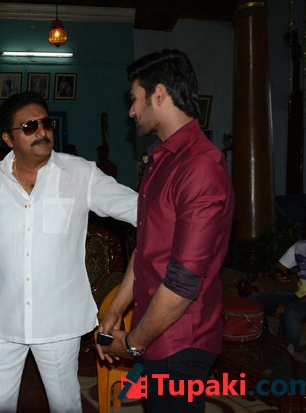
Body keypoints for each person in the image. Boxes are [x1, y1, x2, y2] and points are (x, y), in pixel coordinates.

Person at [0, 91, 138, 413]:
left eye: (46, 123)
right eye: (30, 126)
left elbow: (140, 209)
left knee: (65, 404)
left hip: (59, 321)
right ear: (8, 138)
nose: (42, 131)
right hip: (2, 319)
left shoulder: (80, 174)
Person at [96, 49, 234, 413]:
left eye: (134, 99)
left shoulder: (200, 167)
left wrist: (133, 343)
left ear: (158, 94)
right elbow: (146, 249)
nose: (131, 111)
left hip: (180, 339)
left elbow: (183, 281)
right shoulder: (162, 161)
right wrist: (116, 309)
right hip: (155, 329)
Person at [249, 206, 306, 346]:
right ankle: (263, 345)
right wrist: (277, 274)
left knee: (291, 310)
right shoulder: (300, 247)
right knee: (254, 300)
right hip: (299, 298)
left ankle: (287, 356)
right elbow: (278, 267)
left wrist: (294, 303)